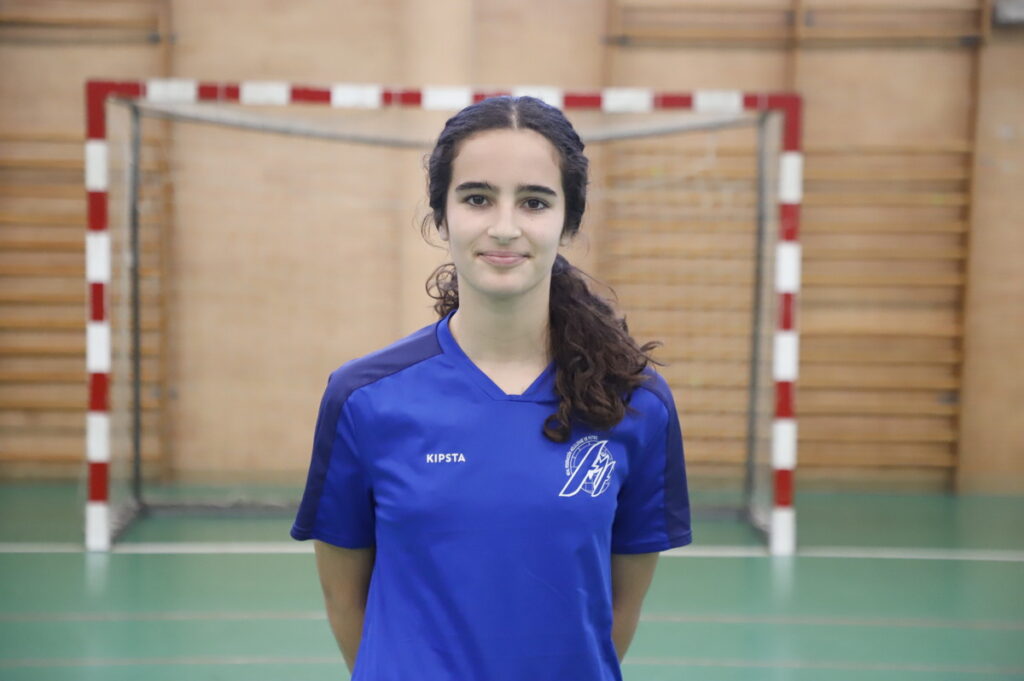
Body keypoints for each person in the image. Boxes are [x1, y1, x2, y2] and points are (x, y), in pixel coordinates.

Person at [291, 95, 691, 681]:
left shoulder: (635, 403)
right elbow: (344, 601)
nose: (505, 227)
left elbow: (619, 610)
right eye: (477, 198)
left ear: (568, 220)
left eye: (534, 201)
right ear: (442, 215)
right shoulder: (363, 399)